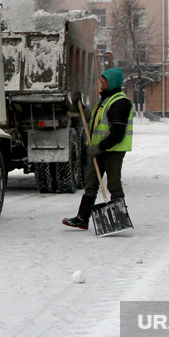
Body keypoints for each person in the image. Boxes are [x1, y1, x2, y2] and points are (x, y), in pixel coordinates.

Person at [63, 67, 132, 230]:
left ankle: (119, 219)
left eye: (104, 79)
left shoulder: (120, 103)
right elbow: (93, 120)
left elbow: (117, 134)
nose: (100, 81)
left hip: (113, 151)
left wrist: (99, 148)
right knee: (91, 183)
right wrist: (80, 106)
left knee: (113, 184)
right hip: (100, 150)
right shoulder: (105, 100)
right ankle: (82, 218)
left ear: (112, 82)